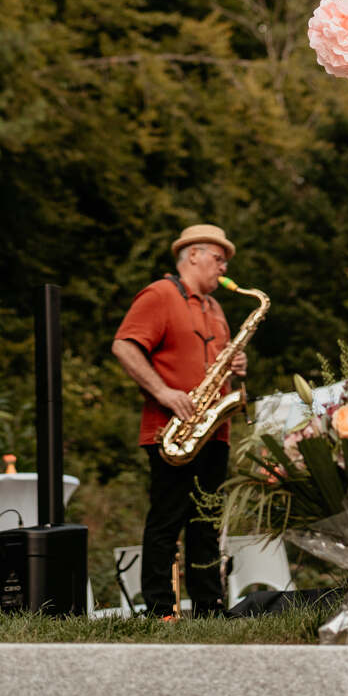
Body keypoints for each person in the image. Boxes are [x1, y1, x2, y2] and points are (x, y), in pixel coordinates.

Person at [111, 223, 246, 618]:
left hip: (213, 432)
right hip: (172, 431)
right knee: (167, 520)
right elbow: (124, 345)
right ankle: (159, 610)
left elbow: (220, 369)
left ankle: (208, 609)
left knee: (207, 522)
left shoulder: (216, 309)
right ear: (193, 255)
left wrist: (238, 368)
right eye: (218, 259)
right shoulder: (160, 294)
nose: (223, 268)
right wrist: (164, 392)